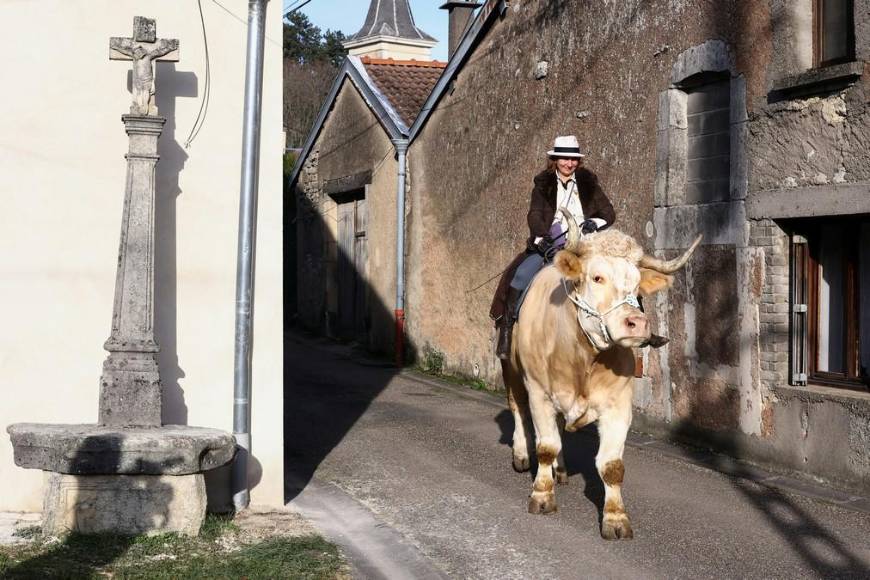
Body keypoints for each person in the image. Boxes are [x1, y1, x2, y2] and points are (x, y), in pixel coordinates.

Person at [490, 135, 665, 359]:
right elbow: (534, 215)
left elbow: (608, 212)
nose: (569, 164)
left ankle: (643, 328)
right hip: (552, 242)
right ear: (555, 159)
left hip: (587, 245)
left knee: (625, 274)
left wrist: (596, 222)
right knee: (521, 275)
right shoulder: (543, 184)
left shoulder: (587, 183)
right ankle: (506, 329)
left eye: (573, 159)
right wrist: (540, 239)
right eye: (564, 158)